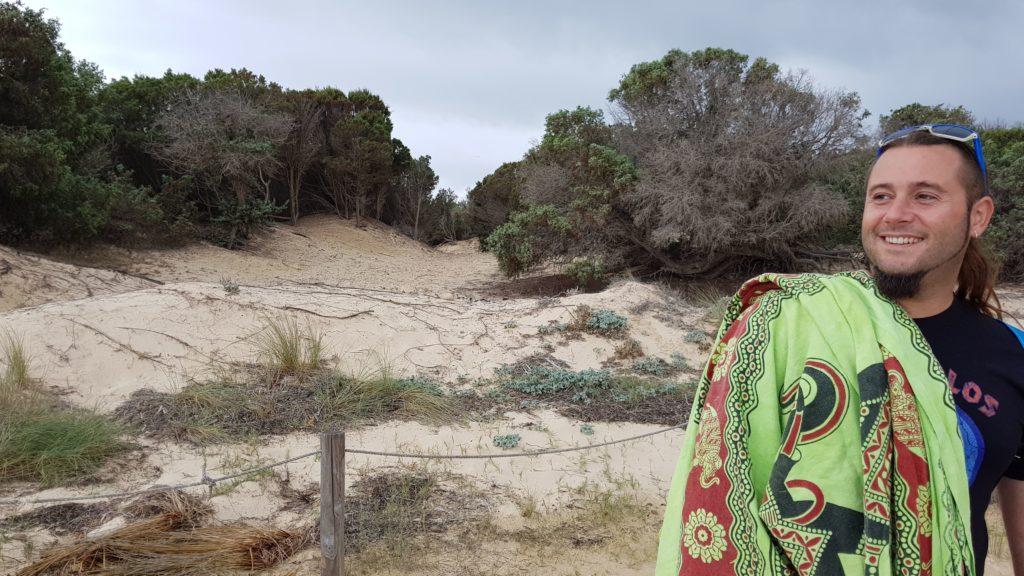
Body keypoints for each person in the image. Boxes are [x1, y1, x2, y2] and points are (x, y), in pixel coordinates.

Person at [655, 124, 1024, 576]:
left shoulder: (1013, 354)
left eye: (925, 196)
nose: (896, 215)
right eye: (881, 196)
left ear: (978, 215)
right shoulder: (788, 323)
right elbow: (721, 485)